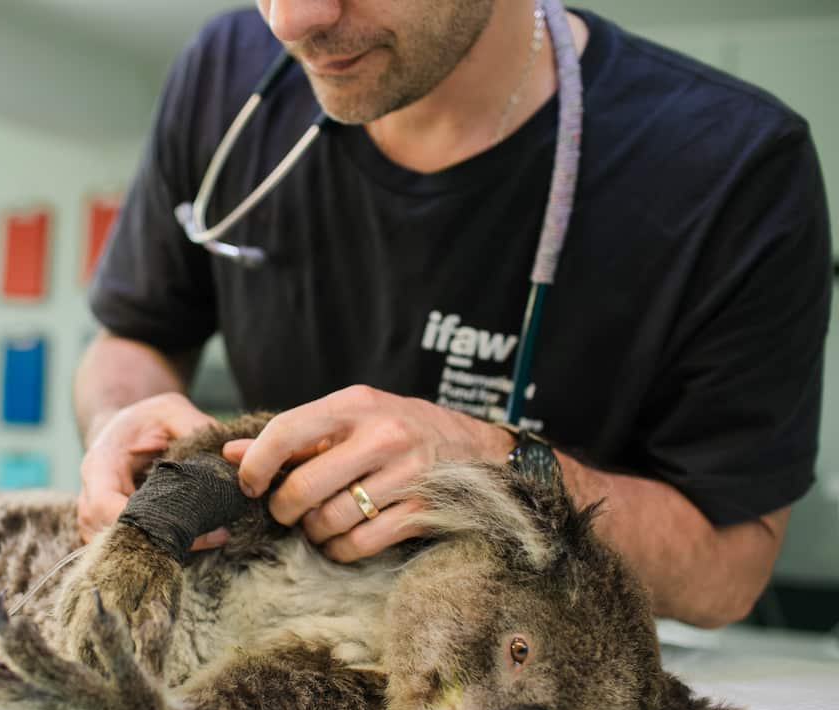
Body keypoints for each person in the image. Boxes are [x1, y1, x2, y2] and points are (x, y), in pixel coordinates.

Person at [73, 0, 833, 629]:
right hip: (295, 640)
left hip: (547, 679)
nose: (293, 20)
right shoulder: (224, 73)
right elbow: (135, 334)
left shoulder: (734, 171)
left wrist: (496, 474)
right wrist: (122, 415)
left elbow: (728, 570)